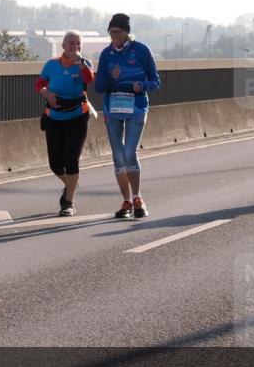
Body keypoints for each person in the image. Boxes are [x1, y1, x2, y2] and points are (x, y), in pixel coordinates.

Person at [95, 13, 161, 219]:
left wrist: (141, 85)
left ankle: (138, 197)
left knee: (129, 153)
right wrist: (110, 79)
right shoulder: (106, 54)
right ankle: (126, 201)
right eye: (111, 32)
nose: (114, 36)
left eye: (118, 32)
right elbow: (99, 87)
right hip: (113, 109)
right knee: (118, 156)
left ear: (126, 32)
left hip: (136, 107)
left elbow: (155, 81)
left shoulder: (141, 50)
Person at [35, 31, 95, 216]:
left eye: (78, 43)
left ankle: (68, 202)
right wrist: (47, 93)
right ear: (63, 45)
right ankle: (71, 183)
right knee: (55, 164)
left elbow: (89, 79)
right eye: (71, 42)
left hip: (77, 116)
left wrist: (80, 63)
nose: (74, 46)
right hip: (54, 117)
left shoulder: (85, 64)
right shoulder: (51, 64)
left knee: (71, 160)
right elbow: (39, 84)